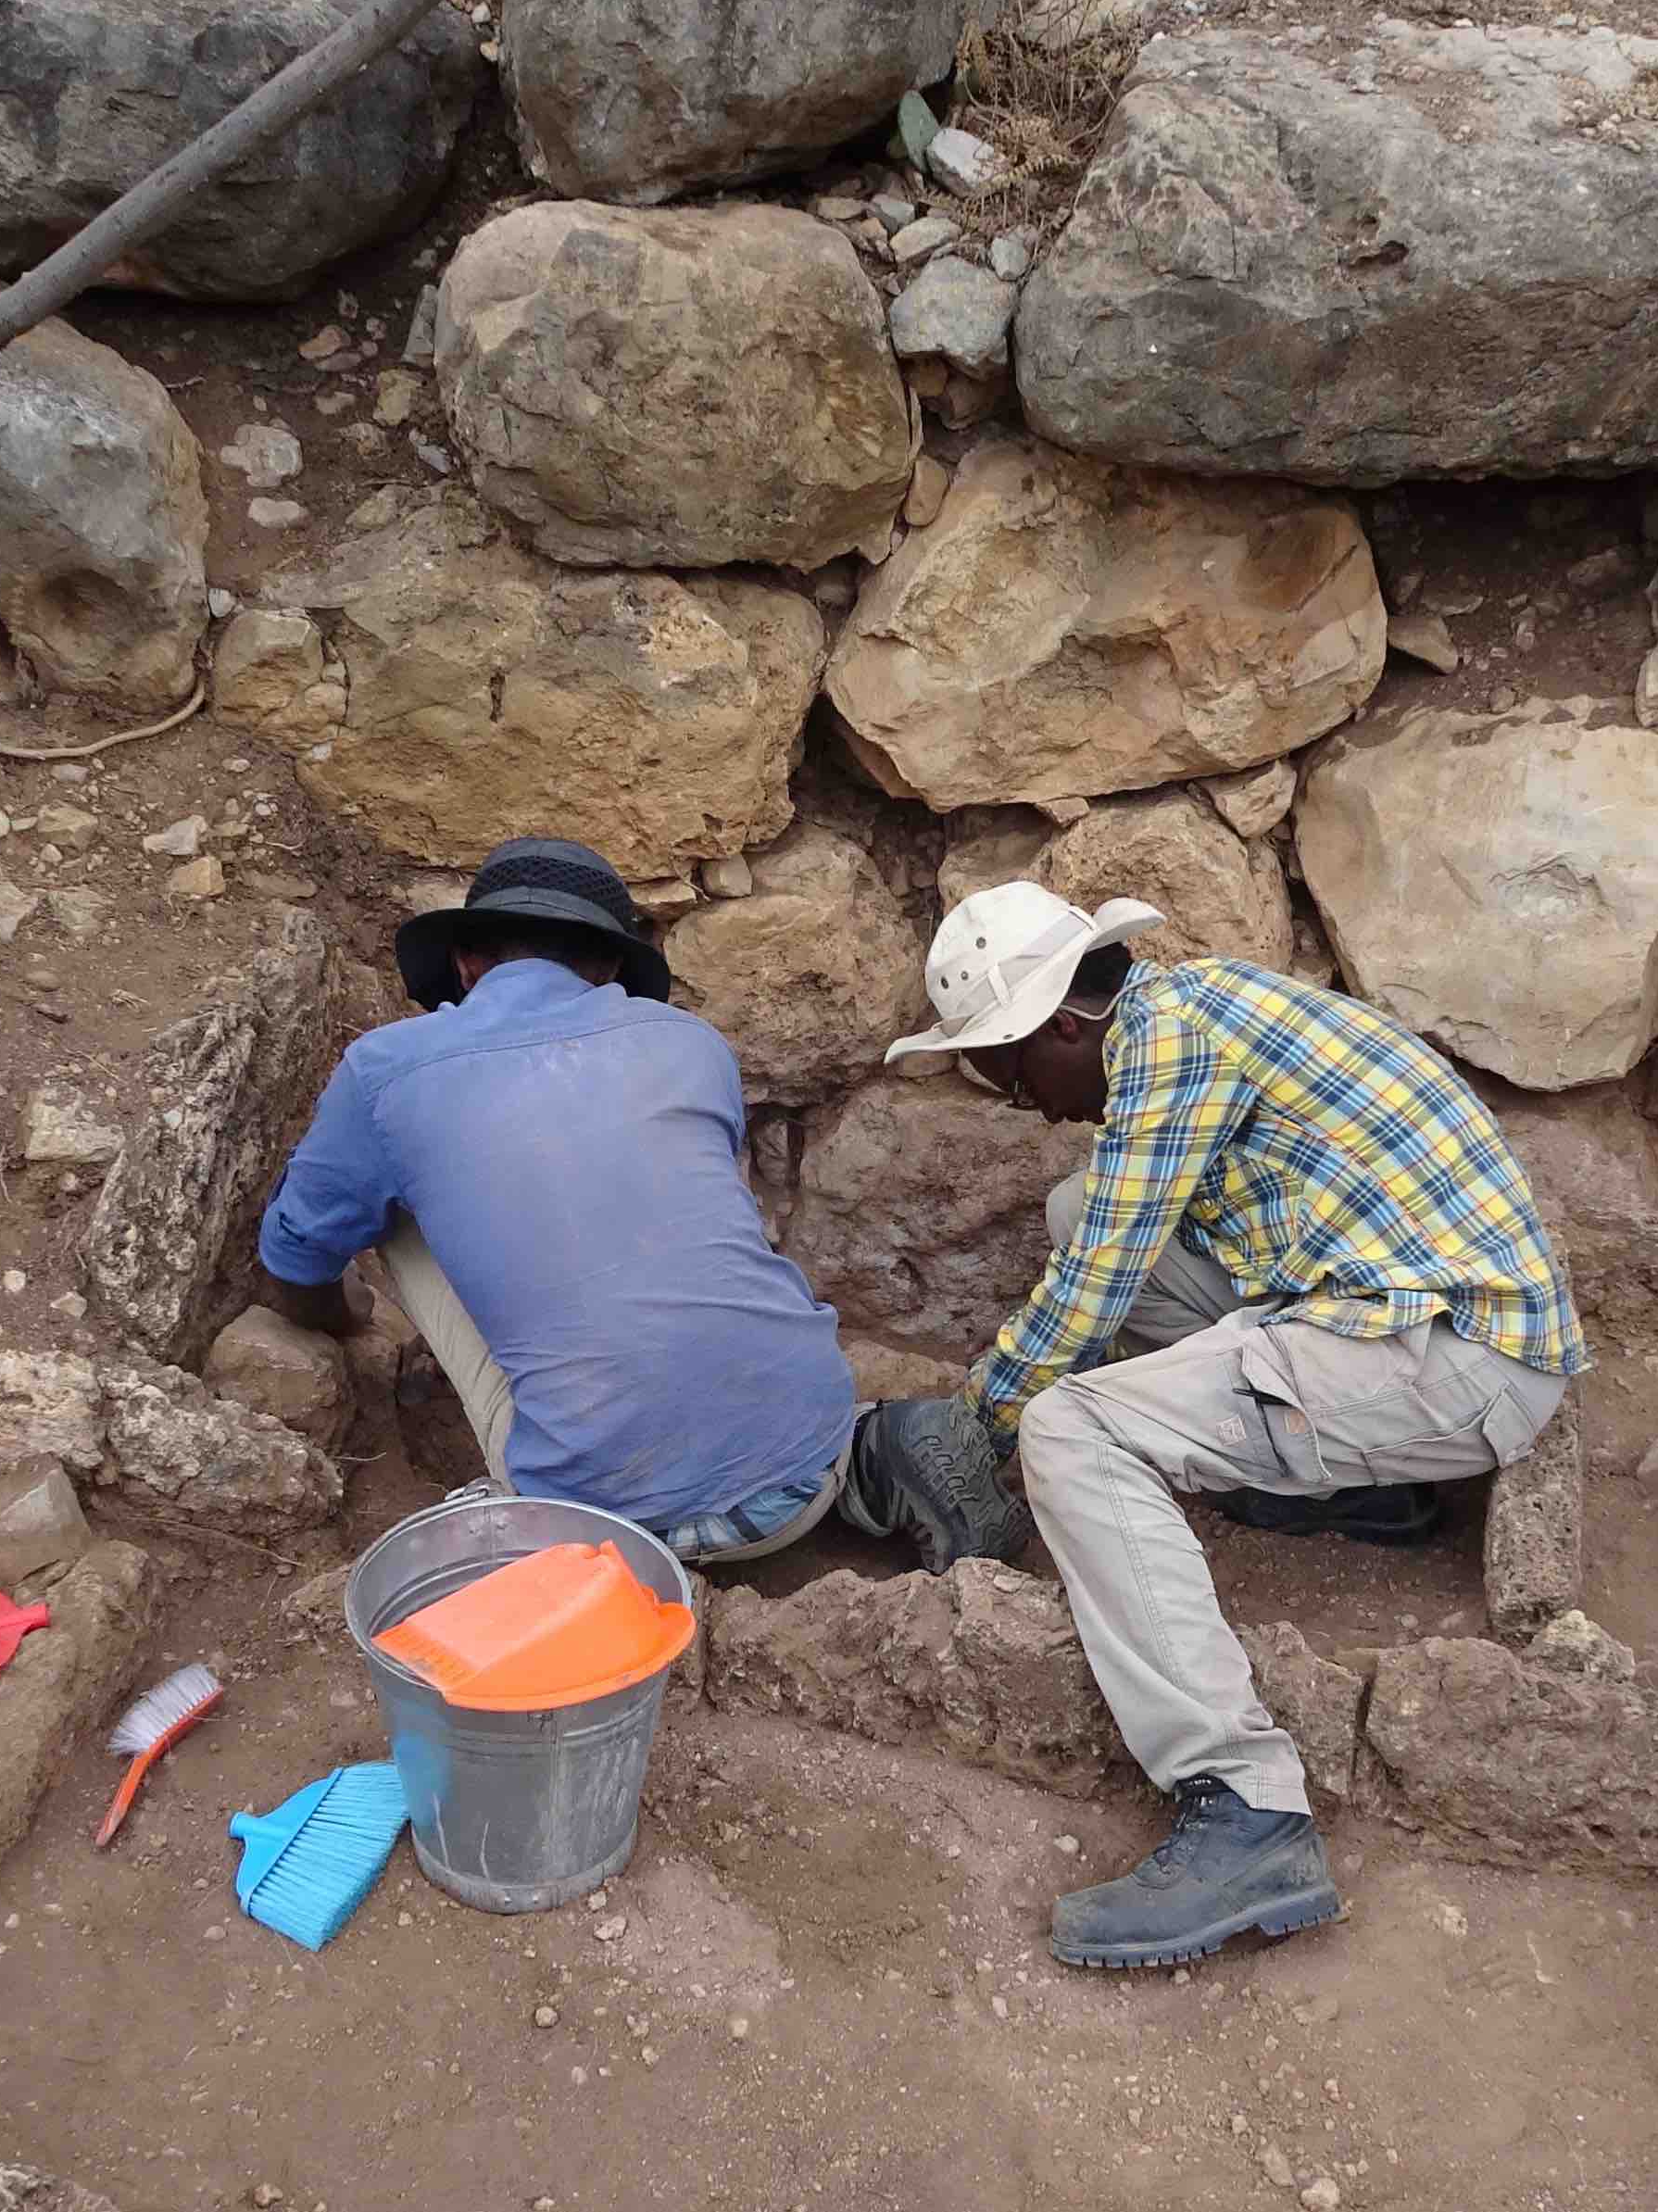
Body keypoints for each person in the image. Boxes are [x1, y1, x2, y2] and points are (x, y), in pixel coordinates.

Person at [891, 883, 1585, 1970]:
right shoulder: (1192, 1009)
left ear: (1065, 1028)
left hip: (1457, 1359)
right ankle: (1366, 1489)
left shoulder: (1168, 1050)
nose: (1041, 1111)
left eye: (1020, 1082)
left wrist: (973, 1423)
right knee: (1076, 1207)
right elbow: (1105, 1238)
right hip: (1412, 1309)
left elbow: (1095, 1289)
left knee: (1072, 1429)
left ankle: (1246, 1807)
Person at [256, 836, 1022, 1569]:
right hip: (801, 1480)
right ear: (612, 968)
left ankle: (518, 1515)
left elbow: (296, 1256)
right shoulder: (691, 1043)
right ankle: (870, 1454)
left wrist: (342, 1321)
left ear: (464, 963)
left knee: (391, 1197)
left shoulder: (386, 1066)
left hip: (600, 1530)